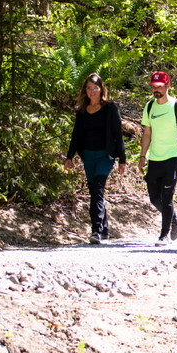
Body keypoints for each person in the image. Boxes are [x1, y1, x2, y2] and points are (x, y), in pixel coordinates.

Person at [64, 73, 127, 244]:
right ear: (85, 90)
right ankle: (104, 230)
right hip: (88, 156)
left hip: (105, 156)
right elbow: (75, 136)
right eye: (89, 88)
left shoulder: (110, 108)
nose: (92, 91)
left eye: (95, 88)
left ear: (101, 89)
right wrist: (70, 157)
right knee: (94, 192)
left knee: (97, 190)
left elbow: (117, 134)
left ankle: (96, 230)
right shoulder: (82, 111)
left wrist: (122, 159)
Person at [137, 70, 177, 246]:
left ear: (167, 86)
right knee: (154, 198)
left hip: (173, 157)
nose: (156, 90)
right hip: (155, 158)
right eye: (153, 87)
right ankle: (175, 218)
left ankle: (164, 235)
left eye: (159, 86)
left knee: (167, 196)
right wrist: (142, 155)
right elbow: (147, 133)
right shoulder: (149, 107)